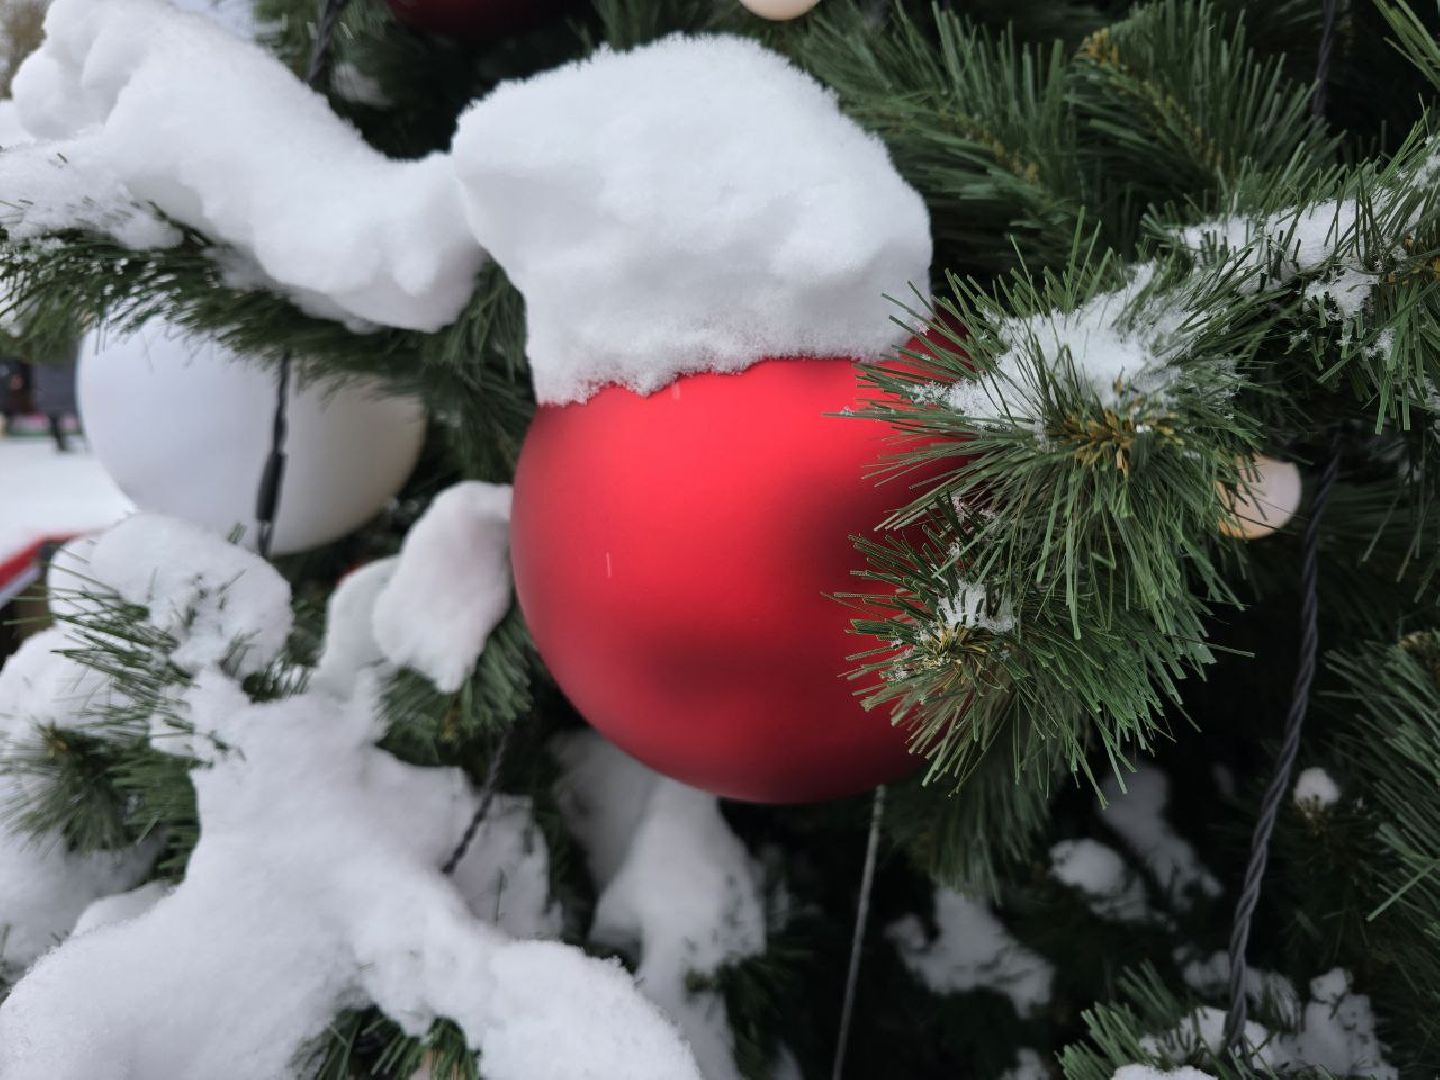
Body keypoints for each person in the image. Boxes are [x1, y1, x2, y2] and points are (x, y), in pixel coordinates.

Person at [30, 340, 79, 452]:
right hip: (62, 382)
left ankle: (59, 440)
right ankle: (61, 440)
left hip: (50, 386)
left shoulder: (41, 345)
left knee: (53, 413)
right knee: (56, 413)